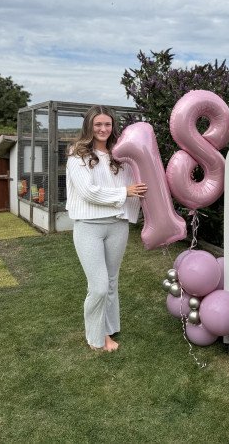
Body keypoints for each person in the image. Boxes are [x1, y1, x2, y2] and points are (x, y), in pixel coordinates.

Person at [66, 105, 147, 351]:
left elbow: (136, 185)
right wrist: (125, 192)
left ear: (113, 127)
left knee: (111, 282)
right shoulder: (77, 155)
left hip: (117, 224)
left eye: (107, 124)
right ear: (89, 125)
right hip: (89, 226)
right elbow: (88, 192)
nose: (103, 129)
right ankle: (96, 338)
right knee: (99, 285)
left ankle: (109, 328)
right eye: (98, 124)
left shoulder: (120, 155)